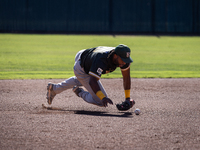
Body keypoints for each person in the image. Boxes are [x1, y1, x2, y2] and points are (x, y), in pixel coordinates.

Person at [46, 44, 135, 111]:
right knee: (100, 101)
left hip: (87, 56)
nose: (124, 63)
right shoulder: (102, 60)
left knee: (83, 80)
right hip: (81, 67)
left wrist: (127, 98)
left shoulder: (123, 60)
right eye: (123, 60)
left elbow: (126, 78)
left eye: (126, 60)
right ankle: (79, 92)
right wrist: (103, 97)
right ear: (115, 55)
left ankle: (54, 88)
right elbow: (92, 81)